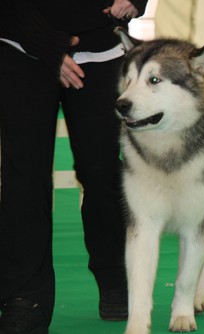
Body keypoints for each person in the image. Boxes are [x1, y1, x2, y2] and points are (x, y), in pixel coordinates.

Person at [0, 0, 148, 332]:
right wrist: (46, 44)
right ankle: (25, 297)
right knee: (23, 178)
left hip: (101, 48)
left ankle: (115, 277)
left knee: (102, 172)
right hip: (21, 45)